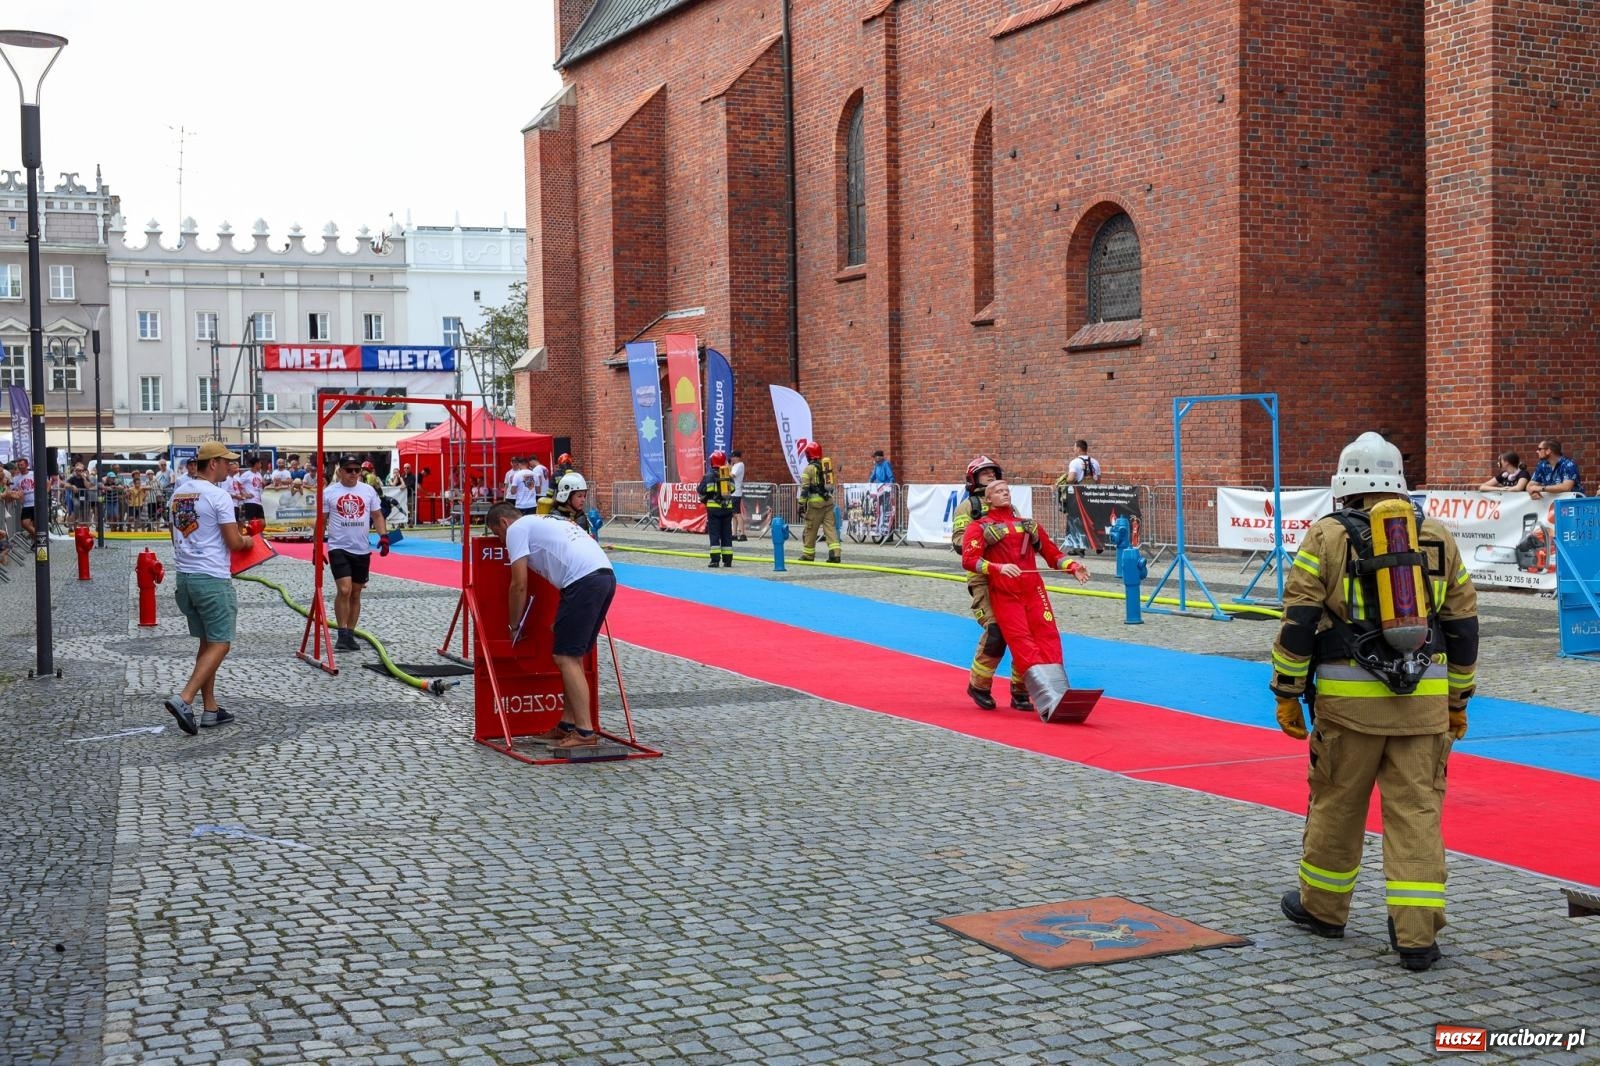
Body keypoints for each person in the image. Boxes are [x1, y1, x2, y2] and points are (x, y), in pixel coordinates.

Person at [1271, 431, 1478, 973]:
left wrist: (1287, 692)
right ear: (1399, 481)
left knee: (1337, 805)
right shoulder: (1437, 536)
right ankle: (1416, 937)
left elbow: (1299, 622)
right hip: (1425, 707)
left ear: (1345, 483)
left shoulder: (1327, 537)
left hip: (1347, 710)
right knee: (1417, 813)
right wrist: (1458, 698)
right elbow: (1463, 626)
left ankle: (1323, 910)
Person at [485, 501, 617, 750]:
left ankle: (585, 733)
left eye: (497, 534)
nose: (501, 542)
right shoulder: (541, 521)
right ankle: (567, 725)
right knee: (572, 657)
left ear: (503, 522)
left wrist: (514, 625)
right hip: (602, 577)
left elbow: (519, 584)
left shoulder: (516, 529)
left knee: (565, 657)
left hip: (584, 581)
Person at [959, 479, 1091, 715]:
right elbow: (968, 560)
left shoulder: (1028, 525)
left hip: (1033, 590)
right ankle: (984, 687)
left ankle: (1042, 692)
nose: (1004, 494)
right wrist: (997, 568)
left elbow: (1052, 554)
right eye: (998, 491)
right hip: (1003, 592)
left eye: (1006, 490)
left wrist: (1073, 566)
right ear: (988, 499)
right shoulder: (978, 526)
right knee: (1015, 638)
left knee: (1047, 635)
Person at [165, 441, 256, 734]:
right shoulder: (219, 496)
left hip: (185, 577)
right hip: (212, 578)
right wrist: (249, 541)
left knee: (206, 644)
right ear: (213, 463)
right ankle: (184, 698)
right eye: (227, 462)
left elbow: (174, 536)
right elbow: (233, 541)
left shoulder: (179, 493)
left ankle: (211, 710)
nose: (231, 467)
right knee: (221, 643)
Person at [952, 455, 1031, 711]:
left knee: (1024, 632)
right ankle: (979, 686)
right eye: (984, 473)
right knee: (996, 631)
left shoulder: (1010, 508)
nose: (990, 476)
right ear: (973, 479)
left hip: (1012, 577)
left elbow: (1020, 540)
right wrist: (984, 536)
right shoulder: (968, 507)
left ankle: (1021, 692)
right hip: (984, 577)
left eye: (993, 472)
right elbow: (958, 543)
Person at [318, 454, 390, 652]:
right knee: (345, 590)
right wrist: (316, 547)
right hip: (338, 547)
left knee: (356, 592)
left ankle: (350, 633)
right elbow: (321, 520)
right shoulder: (330, 492)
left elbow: (377, 515)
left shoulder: (368, 491)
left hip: (361, 549)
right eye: (348, 470)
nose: (353, 474)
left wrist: (384, 536)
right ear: (340, 471)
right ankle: (341, 633)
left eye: (356, 470)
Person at [798, 441, 841, 563]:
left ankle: (808, 555)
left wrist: (801, 504)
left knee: (810, 529)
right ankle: (835, 554)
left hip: (815, 505)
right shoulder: (825, 466)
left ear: (809, 455)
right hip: (828, 503)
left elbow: (805, 488)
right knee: (830, 528)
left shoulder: (808, 469)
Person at [699, 450, 736, 568]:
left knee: (715, 534)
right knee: (726, 534)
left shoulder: (709, 475)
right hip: (727, 508)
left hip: (714, 510)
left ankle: (715, 560)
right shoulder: (727, 475)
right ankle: (728, 560)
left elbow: (701, 489)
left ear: (712, 462)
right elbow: (733, 489)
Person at [1, 457, 36, 553]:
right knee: (25, 524)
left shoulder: (33, 474)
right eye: (19, 465)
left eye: (22, 465)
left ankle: (36, 543)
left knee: (35, 524)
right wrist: (9, 488)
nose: (20, 467)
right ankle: (40, 537)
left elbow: (47, 483)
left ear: (27, 465)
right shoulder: (17, 478)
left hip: (36, 502)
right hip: (26, 504)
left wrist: (44, 493)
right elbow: (10, 489)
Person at [239, 455, 267, 524]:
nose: (261, 465)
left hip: (258, 501)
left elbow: (260, 486)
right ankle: (250, 534)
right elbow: (238, 483)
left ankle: (257, 534)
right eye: (260, 463)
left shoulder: (259, 474)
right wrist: (244, 494)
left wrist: (263, 484)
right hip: (250, 501)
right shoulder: (247, 474)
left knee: (262, 522)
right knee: (250, 521)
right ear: (256, 464)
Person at [730, 450, 748, 541]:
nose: (731, 458)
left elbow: (732, 475)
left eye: (733, 457)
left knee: (737, 513)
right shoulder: (734, 466)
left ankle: (742, 533)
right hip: (733, 492)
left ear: (737, 457)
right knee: (733, 514)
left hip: (736, 492)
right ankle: (734, 533)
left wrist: (724, 472)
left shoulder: (739, 465)